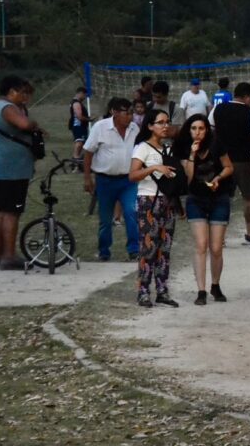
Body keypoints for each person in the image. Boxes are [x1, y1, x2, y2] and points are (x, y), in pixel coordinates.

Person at [0, 76, 40, 270]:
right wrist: (35, 125)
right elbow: (24, 125)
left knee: (1, 211)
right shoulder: (7, 108)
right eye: (23, 92)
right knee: (12, 212)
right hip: (12, 169)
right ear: (11, 91)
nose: (26, 97)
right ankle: (9, 256)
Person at [176, 115, 233, 306]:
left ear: (207, 130)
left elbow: (228, 167)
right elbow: (189, 178)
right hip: (196, 199)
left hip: (219, 198)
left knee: (216, 247)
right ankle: (201, 290)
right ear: (189, 130)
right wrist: (192, 155)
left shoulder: (217, 144)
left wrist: (217, 178)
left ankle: (215, 285)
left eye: (201, 128)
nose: (197, 132)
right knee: (201, 245)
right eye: (194, 128)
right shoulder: (184, 148)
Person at [129, 109, 180, 308]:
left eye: (167, 122)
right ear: (150, 125)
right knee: (148, 248)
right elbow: (132, 175)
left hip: (167, 202)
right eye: (160, 122)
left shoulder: (168, 148)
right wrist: (153, 168)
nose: (165, 126)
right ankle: (143, 290)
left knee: (164, 248)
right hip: (148, 200)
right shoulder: (143, 148)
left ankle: (162, 289)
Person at [82, 97, 139, 262]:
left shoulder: (135, 128)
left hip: (128, 180)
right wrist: (87, 178)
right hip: (105, 180)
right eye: (126, 113)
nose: (130, 117)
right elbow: (88, 152)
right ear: (114, 112)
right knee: (105, 219)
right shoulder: (100, 127)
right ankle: (104, 250)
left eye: (131, 113)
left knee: (131, 212)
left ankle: (134, 249)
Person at [210, 82, 250, 249]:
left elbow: (210, 133)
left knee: (222, 198)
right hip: (244, 161)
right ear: (248, 97)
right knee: (249, 198)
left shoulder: (216, 110)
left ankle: (221, 237)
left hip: (221, 161)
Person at [68, 86, 90, 160]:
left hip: (81, 125)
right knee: (79, 142)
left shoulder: (77, 102)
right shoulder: (76, 103)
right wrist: (89, 119)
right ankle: (75, 158)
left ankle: (77, 157)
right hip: (78, 125)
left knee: (82, 142)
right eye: (84, 95)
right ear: (80, 93)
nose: (84, 97)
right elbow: (79, 116)